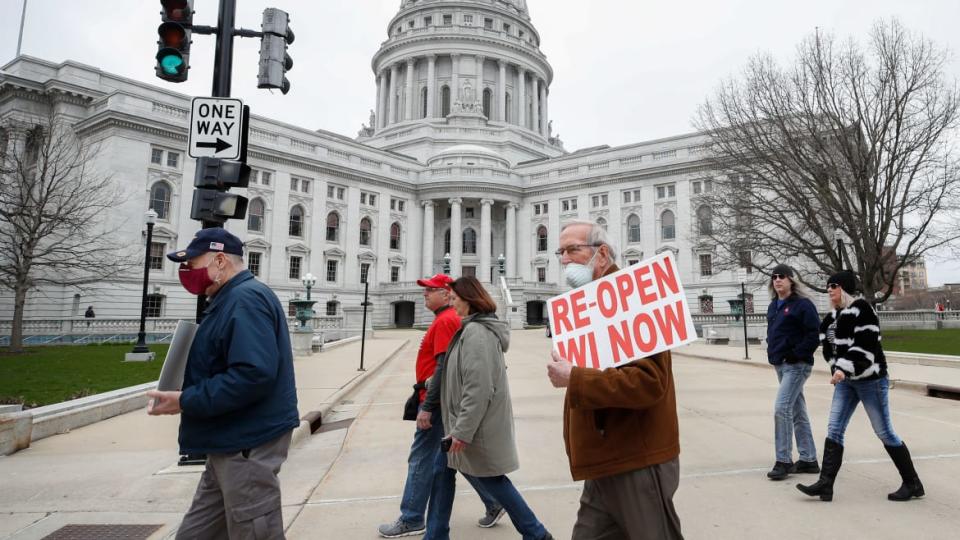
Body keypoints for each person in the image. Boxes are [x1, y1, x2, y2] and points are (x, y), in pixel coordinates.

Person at [146, 228, 300, 539]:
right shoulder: (231, 297)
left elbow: (252, 374)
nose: (187, 271)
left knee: (253, 529)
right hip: (228, 440)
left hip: (246, 444)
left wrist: (186, 400)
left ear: (219, 260)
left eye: (192, 263)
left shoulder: (244, 300)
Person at [547, 220, 683, 540]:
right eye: (560, 252)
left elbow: (649, 382)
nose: (564, 259)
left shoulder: (632, 299)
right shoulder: (590, 302)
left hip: (636, 460)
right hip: (605, 458)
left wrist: (575, 377)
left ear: (602, 254)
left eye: (572, 250)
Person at [428, 276, 553, 540]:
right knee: (441, 474)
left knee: (492, 479)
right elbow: (465, 372)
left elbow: (479, 387)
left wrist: (462, 431)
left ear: (468, 299)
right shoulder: (470, 329)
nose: (450, 301)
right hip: (462, 422)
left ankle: (536, 533)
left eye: (453, 297)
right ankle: (436, 534)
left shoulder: (477, 334)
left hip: (474, 426)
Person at [378, 274, 503, 538]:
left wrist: (427, 404)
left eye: (430, 290)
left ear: (447, 294)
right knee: (453, 457)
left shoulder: (447, 321)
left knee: (422, 459)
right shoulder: (443, 319)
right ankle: (494, 501)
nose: (424, 294)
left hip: (435, 403)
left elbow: (444, 367)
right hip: (437, 400)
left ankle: (412, 518)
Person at [797, 271, 925, 502]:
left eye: (833, 286)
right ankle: (825, 485)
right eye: (827, 287)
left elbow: (865, 347)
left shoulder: (863, 310)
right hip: (846, 382)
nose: (829, 290)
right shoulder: (833, 316)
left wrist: (842, 368)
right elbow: (827, 344)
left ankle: (912, 483)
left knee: (884, 431)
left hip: (871, 380)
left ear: (844, 288)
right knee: (834, 428)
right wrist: (836, 366)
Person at [764, 263, 821, 480]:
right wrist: (773, 355)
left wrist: (796, 354)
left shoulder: (802, 305)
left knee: (782, 408)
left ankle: (783, 461)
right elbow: (773, 333)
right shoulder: (773, 306)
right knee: (797, 411)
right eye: (774, 277)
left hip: (797, 365)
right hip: (781, 365)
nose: (777, 279)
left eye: (782, 276)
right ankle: (808, 459)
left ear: (791, 280)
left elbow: (813, 334)